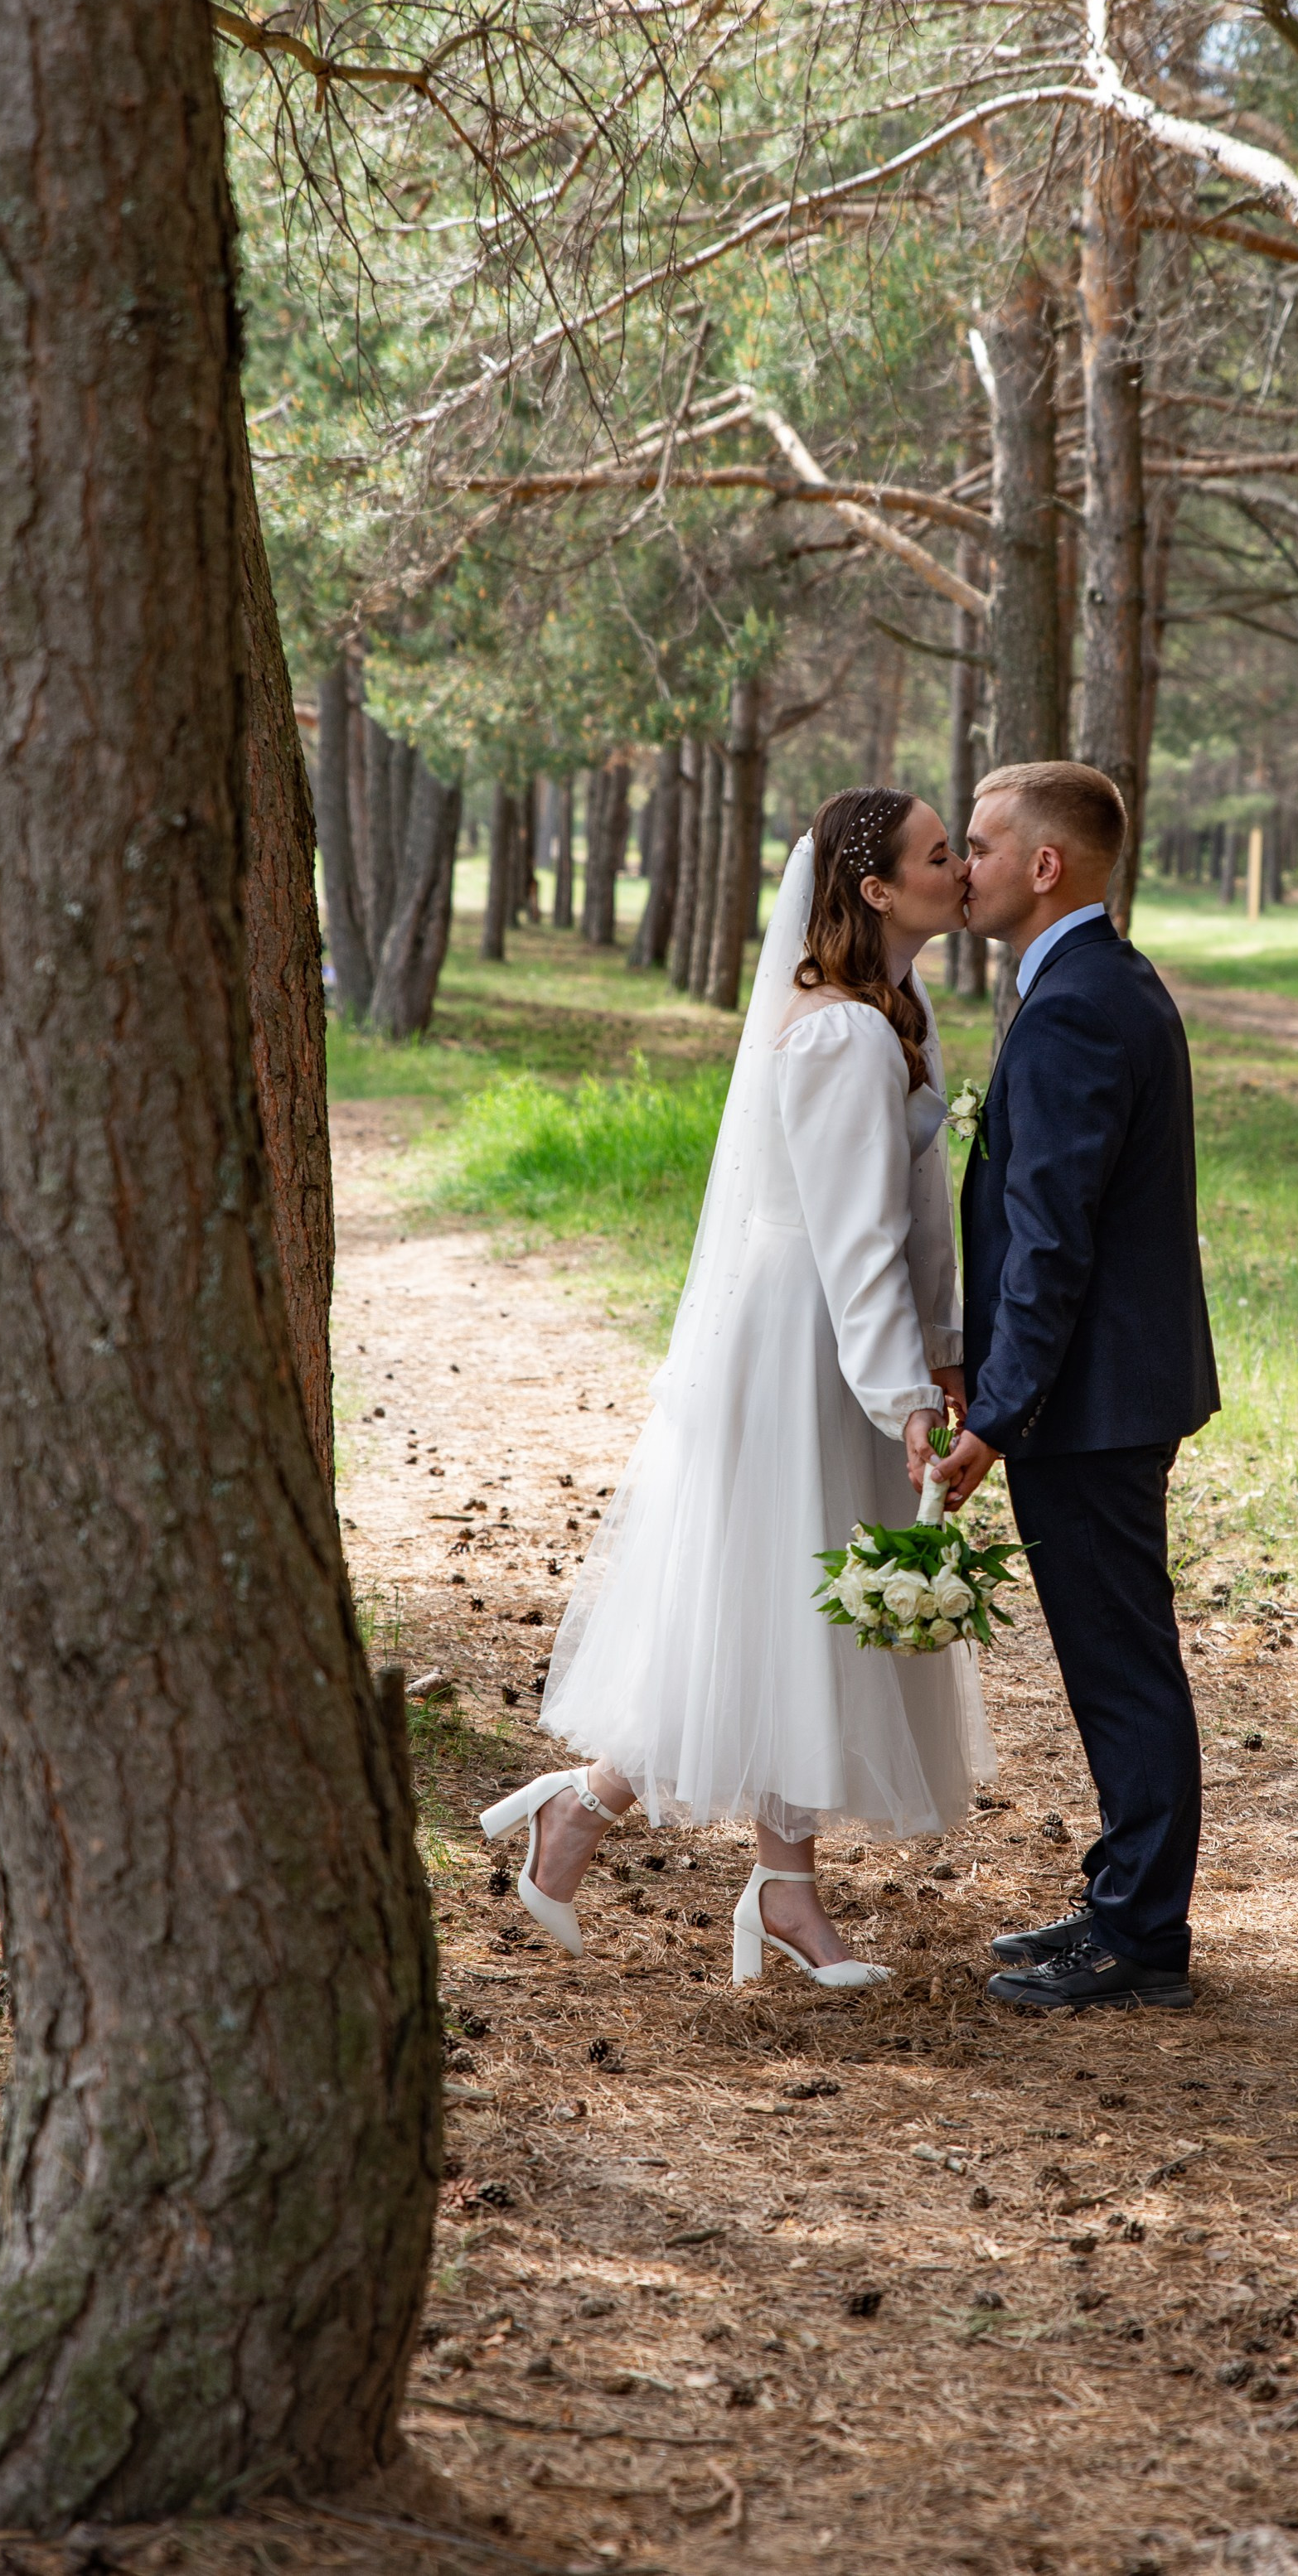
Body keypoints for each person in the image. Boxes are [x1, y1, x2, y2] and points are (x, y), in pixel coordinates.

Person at [479, 788, 990, 1988]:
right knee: (772, 1595)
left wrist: (947, 1345)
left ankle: (773, 1885)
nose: (961, 867)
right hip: (800, 1338)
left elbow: (913, 1221)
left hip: (851, 1335)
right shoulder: (839, 1034)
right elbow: (850, 1237)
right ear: (875, 891)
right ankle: (598, 1810)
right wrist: (902, 1398)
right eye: (936, 855)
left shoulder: (897, 1009)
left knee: (800, 1611)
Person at [932, 761, 1218, 2011]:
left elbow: (1054, 1237)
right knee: (1116, 1658)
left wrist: (997, 1413)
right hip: (1101, 1392)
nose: (965, 868)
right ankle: (1124, 1901)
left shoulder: (1079, 1005)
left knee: (1121, 1665)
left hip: (1089, 1403)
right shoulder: (1095, 981)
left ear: (1044, 865)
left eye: (983, 846)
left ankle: (1142, 1936)